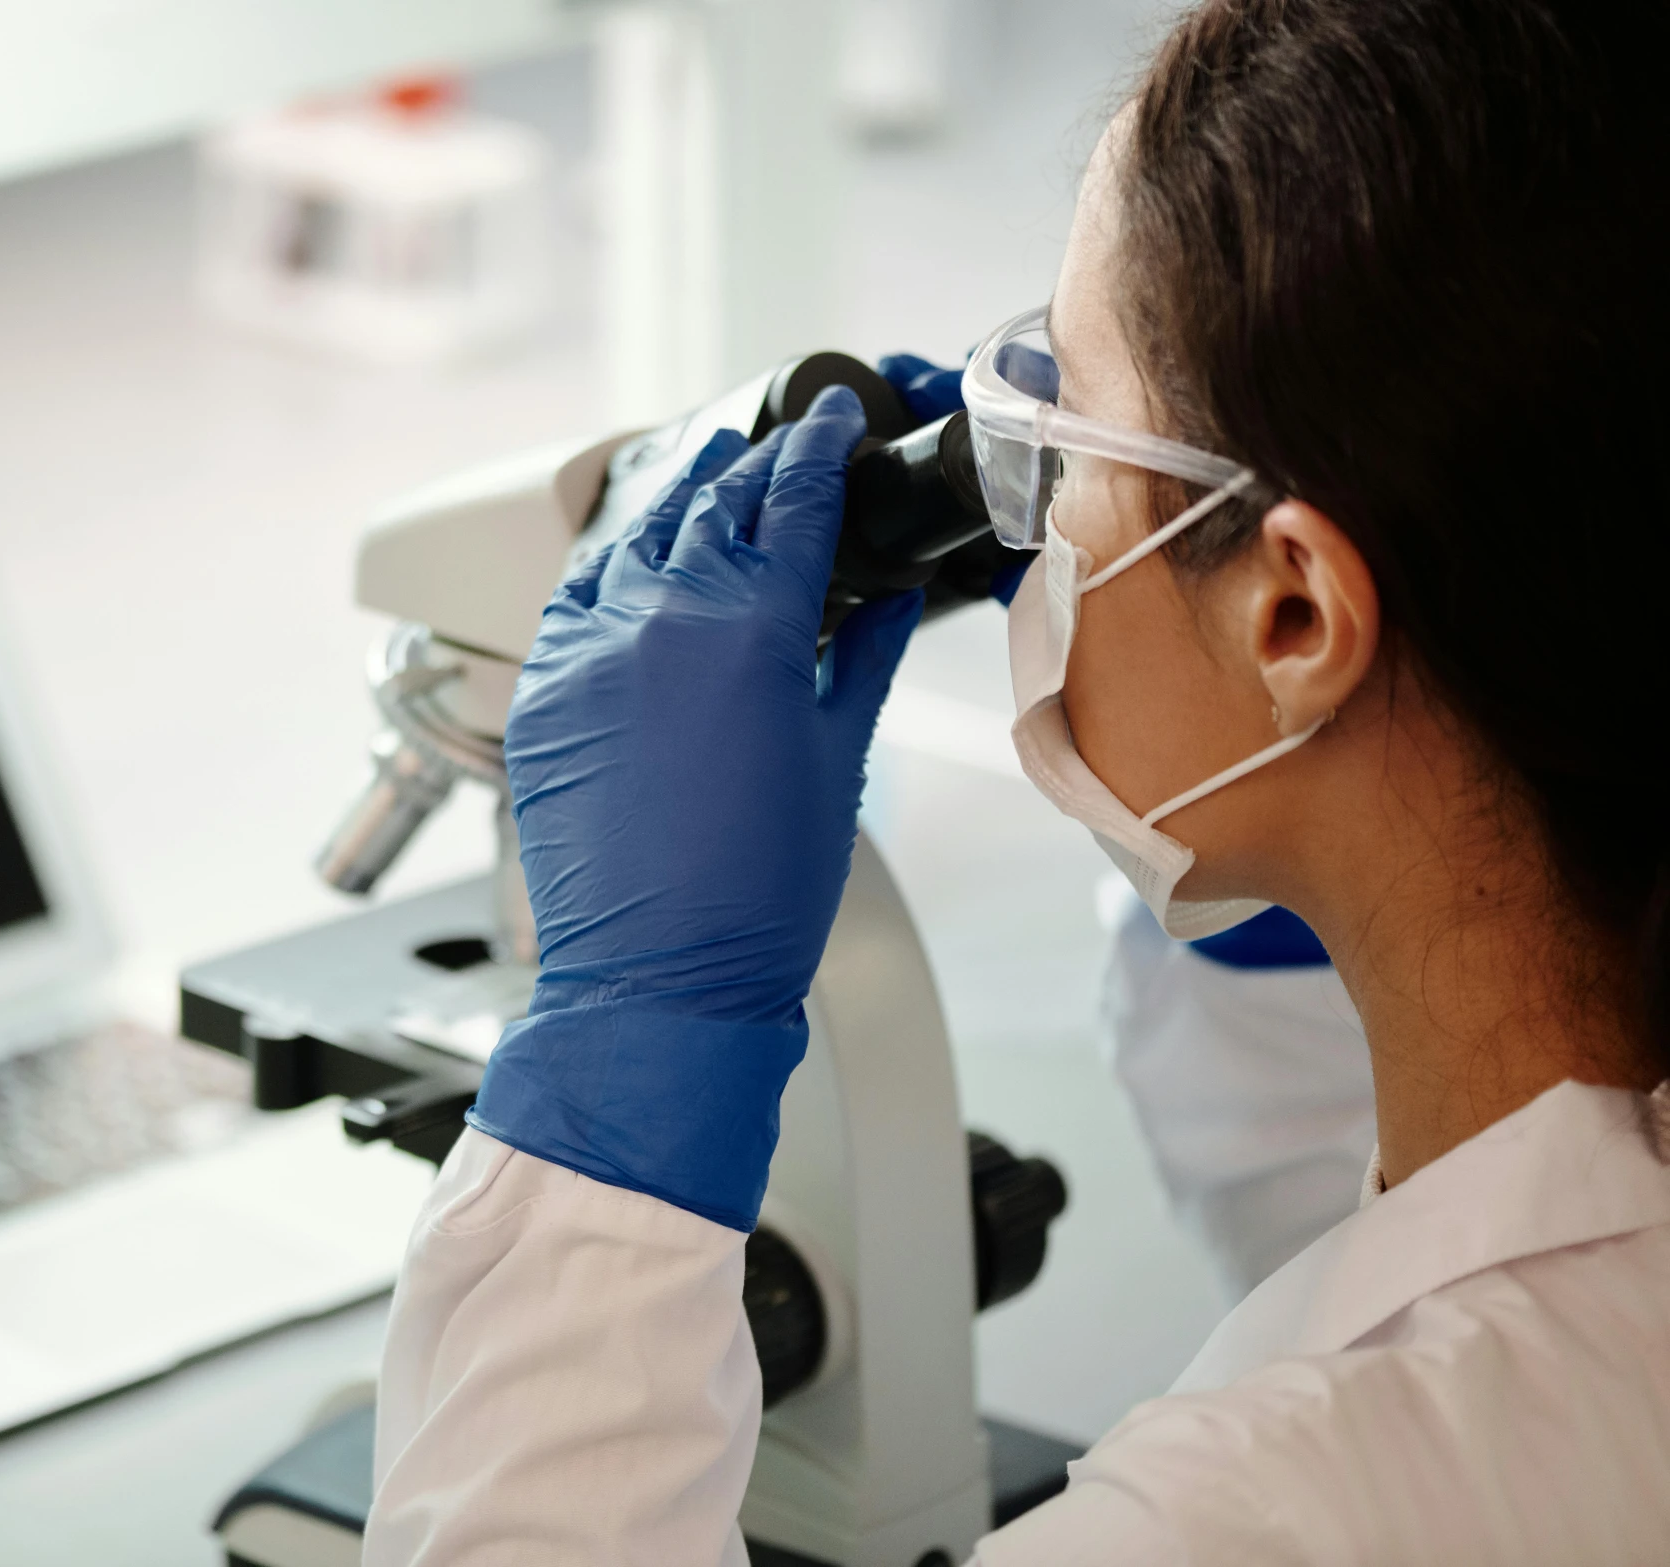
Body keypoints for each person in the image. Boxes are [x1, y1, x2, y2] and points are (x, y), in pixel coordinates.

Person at [362, 0, 1670, 1561]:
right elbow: (1422, 1248)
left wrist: (628, 1044)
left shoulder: (1270, 1508)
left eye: (1067, 405)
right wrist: (1325, 863)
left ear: (1295, 612)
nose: (1012, 480)